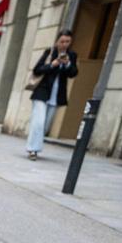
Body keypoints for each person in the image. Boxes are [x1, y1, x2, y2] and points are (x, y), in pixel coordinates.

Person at [26, 29, 78, 160]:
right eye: (62, 41)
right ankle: (33, 150)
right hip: (41, 92)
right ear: (57, 41)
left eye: (67, 41)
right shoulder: (49, 52)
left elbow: (73, 73)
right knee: (38, 122)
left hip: (56, 95)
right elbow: (37, 70)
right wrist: (53, 64)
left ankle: (35, 146)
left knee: (45, 125)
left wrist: (68, 64)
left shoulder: (72, 55)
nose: (64, 44)